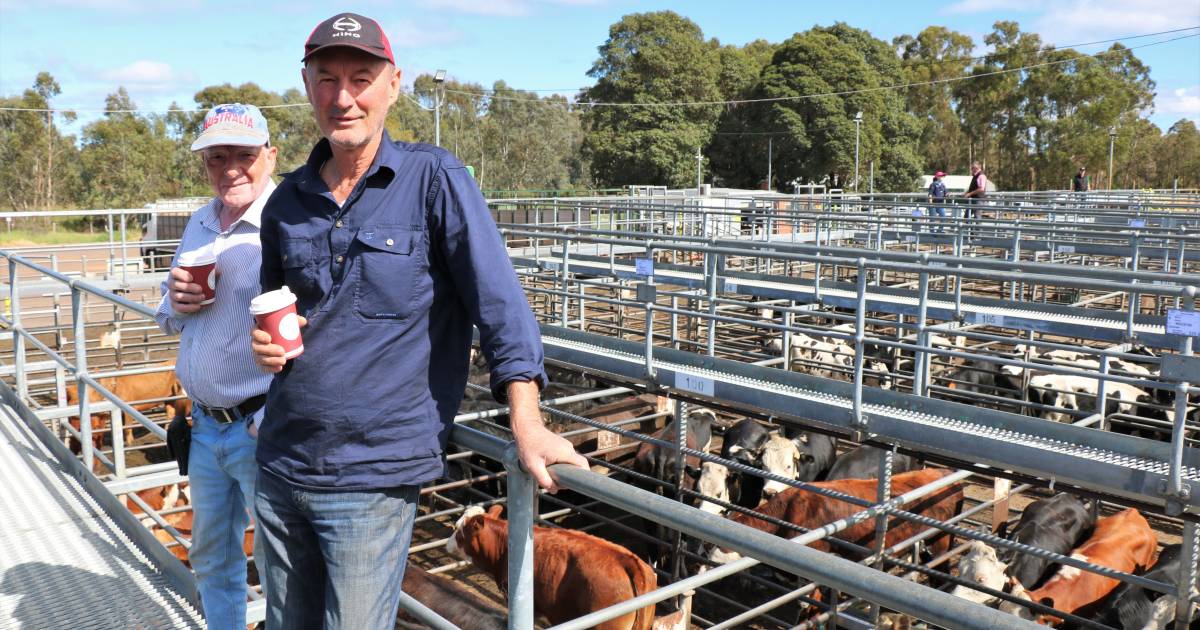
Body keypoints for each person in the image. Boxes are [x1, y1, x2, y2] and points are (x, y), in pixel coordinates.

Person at [248, 12, 588, 629]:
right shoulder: (286, 202)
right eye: (327, 79)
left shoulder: (434, 178)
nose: (343, 97)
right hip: (279, 463)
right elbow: (273, 306)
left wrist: (528, 422)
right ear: (306, 85)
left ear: (393, 84)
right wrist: (262, 348)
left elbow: (499, 304)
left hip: (372, 477)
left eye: (361, 77)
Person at [155, 103, 276, 629]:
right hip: (204, 425)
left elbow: (314, 325)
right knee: (211, 553)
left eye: (244, 154)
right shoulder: (200, 223)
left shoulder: (284, 225)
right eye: (217, 156)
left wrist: (274, 413)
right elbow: (168, 315)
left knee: (277, 561)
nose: (231, 167)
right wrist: (173, 304)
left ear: (269, 155)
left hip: (258, 424)